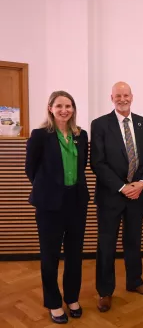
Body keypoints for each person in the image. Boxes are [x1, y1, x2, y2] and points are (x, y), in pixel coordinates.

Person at [90, 82, 143, 313]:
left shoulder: (142, 122)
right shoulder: (100, 124)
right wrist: (121, 187)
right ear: (111, 98)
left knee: (133, 241)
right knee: (106, 245)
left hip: (137, 193)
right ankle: (105, 291)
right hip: (111, 196)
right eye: (118, 95)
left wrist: (141, 183)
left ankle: (134, 281)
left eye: (126, 95)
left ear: (132, 97)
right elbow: (97, 162)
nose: (122, 98)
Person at [25, 91, 90, 324]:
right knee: (50, 256)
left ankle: (72, 297)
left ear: (73, 109)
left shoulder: (80, 135)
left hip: (76, 202)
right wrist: (48, 189)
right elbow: (30, 169)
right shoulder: (40, 135)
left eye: (69, 106)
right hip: (49, 205)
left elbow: (82, 165)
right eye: (59, 105)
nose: (65, 110)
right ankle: (53, 302)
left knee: (74, 255)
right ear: (50, 108)